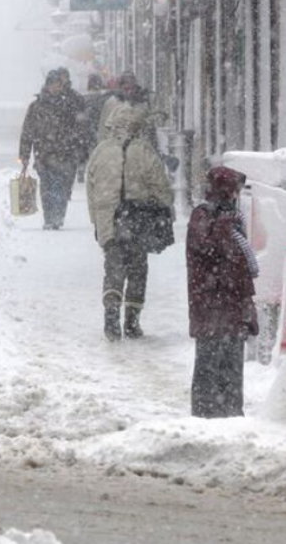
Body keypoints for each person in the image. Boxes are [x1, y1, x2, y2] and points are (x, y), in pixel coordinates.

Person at [86, 103, 173, 341]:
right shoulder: (144, 151)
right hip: (137, 220)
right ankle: (132, 322)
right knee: (137, 269)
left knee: (113, 267)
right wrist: (161, 206)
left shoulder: (101, 152)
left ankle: (111, 315)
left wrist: (97, 221)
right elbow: (161, 188)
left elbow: (91, 189)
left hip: (109, 220)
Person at [187, 166, 259, 418]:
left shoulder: (233, 218)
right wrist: (224, 223)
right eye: (234, 190)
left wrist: (247, 308)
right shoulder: (203, 215)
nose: (237, 195)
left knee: (231, 369)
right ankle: (204, 418)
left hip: (231, 310)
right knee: (208, 367)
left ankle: (232, 417)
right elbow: (208, 250)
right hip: (211, 308)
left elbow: (242, 268)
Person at [19, 68, 88, 229]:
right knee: (47, 188)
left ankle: (58, 217)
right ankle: (49, 218)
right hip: (44, 155)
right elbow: (27, 132)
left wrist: (80, 148)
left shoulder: (70, 105)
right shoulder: (36, 107)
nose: (55, 87)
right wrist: (24, 155)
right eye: (53, 84)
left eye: (58, 84)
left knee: (61, 188)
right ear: (47, 85)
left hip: (65, 154)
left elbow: (80, 128)